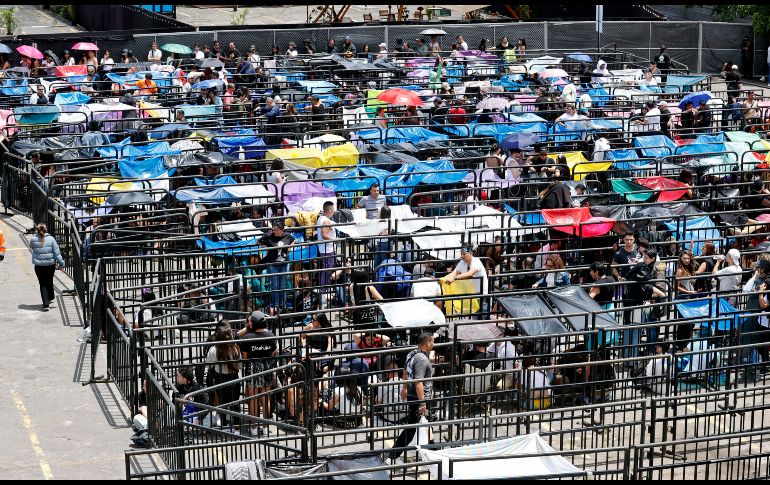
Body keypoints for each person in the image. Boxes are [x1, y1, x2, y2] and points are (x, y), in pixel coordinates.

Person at [389, 332, 435, 462]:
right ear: (427, 343)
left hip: (413, 395)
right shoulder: (422, 359)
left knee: (426, 424)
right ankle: (392, 455)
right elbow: (418, 382)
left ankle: (434, 451)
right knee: (411, 430)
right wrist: (422, 403)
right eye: (432, 341)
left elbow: (405, 372)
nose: (434, 344)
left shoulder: (411, 354)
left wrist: (404, 388)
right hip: (418, 398)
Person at [236, 311, 277, 437]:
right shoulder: (271, 335)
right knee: (265, 398)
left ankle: (253, 427)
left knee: (253, 399)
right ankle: (265, 427)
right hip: (266, 369)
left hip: (252, 370)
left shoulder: (247, 338)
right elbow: (273, 353)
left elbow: (245, 357)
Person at [204, 321, 242, 430]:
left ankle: (224, 427)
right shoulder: (235, 349)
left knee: (222, 406)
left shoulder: (213, 349)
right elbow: (240, 366)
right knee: (235, 405)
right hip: (233, 378)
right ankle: (237, 429)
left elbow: (209, 365)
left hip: (220, 379)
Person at [257, 221, 295, 314]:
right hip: (273, 263)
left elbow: (293, 240)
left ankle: (282, 304)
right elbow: (258, 241)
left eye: (277, 230)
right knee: (274, 285)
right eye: (274, 230)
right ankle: (275, 304)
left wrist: (290, 247)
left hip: (284, 263)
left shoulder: (287, 235)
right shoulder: (269, 235)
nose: (275, 231)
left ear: (282, 230)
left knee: (283, 285)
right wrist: (266, 247)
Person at [445, 246, 489, 318]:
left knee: (483, 319)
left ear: (471, 253)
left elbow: (470, 273)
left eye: (464, 254)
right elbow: (454, 272)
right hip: (472, 295)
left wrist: (454, 278)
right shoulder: (462, 262)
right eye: (461, 254)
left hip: (481, 295)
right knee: (473, 319)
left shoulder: (476, 261)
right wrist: (444, 279)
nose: (462, 256)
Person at [29, 224, 65, 311]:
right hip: (50, 265)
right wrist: (61, 264)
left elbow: (31, 246)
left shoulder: (33, 239)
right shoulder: (51, 239)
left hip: (39, 266)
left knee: (42, 284)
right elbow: (57, 253)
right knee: (49, 280)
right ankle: (50, 297)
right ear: (46, 230)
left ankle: (46, 304)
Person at [316, 201, 337, 291]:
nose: (334, 211)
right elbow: (324, 235)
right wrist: (335, 240)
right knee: (328, 270)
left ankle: (325, 289)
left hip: (325, 248)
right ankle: (325, 290)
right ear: (329, 210)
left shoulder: (321, 218)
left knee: (327, 269)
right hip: (327, 249)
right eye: (333, 209)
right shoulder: (326, 220)